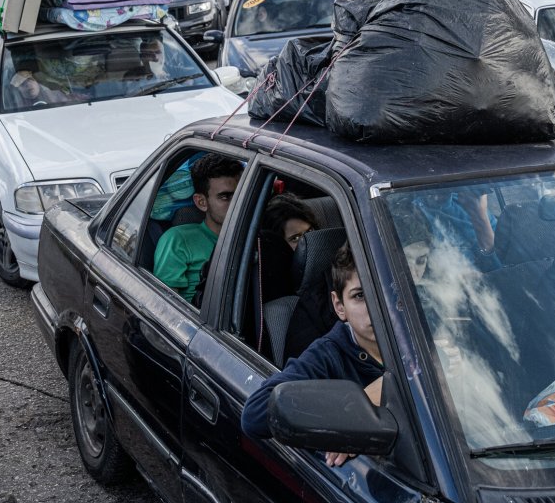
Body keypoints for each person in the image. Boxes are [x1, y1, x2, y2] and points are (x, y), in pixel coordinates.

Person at [241, 242, 384, 466]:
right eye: (360, 296)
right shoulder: (327, 354)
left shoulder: (427, 339)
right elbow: (255, 415)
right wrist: (352, 411)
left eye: (384, 291)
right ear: (339, 306)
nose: (377, 306)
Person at [153, 154, 244, 302]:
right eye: (225, 197)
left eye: (241, 195)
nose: (237, 204)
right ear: (201, 202)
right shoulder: (178, 240)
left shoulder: (258, 238)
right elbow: (166, 306)